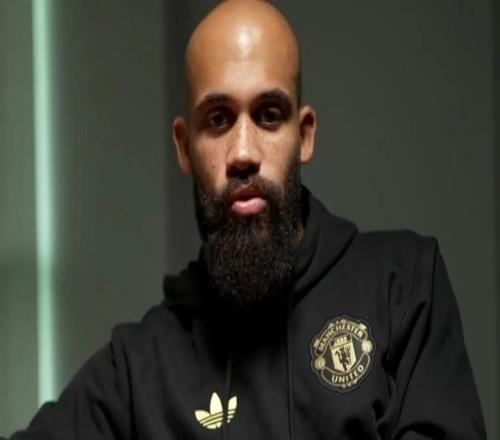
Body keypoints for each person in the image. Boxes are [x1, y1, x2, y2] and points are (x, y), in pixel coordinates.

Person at [3, 0, 486, 439]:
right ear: (184, 147)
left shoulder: (403, 287)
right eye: (218, 119)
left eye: (268, 114)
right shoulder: (138, 369)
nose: (242, 152)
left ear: (305, 135)